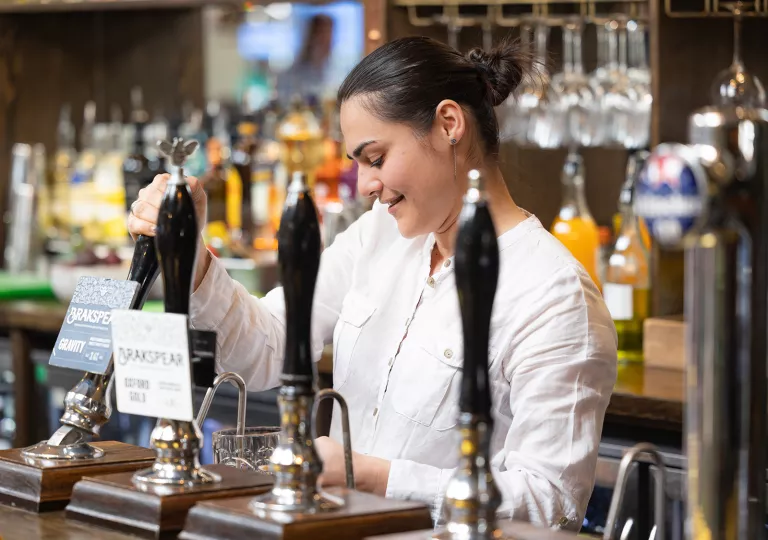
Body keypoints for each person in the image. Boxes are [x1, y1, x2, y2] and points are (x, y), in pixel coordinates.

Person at [128, 36, 617, 532]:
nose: (363, 185)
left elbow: (550, 504)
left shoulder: (554, 296)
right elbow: (271, 345)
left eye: (376, 158)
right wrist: (192, 259)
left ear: (450, 125)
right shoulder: (378, 237)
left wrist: (377, 479)